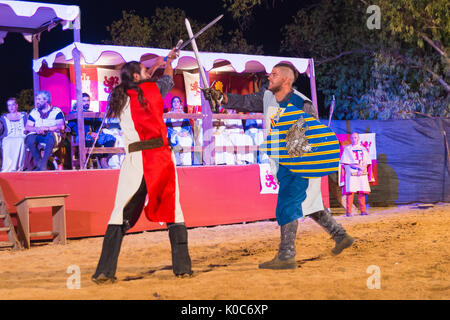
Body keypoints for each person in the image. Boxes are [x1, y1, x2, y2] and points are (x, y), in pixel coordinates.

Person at [204, 63, 354, 269]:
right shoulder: (266, 97)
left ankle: (286, 254)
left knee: (287, 204)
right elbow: (244, 101)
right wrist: (220, 97)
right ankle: (341, 236)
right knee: (310, 204)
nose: (269, 76)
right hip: (282, 162)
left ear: (286, 80)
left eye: (274, 74)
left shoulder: (302, 104)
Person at [92, 48, 193, 284]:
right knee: (174, 209)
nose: (149, 73)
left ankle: (105, 271)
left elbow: (143, 84)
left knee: (119, 212)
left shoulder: (118, 96)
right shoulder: (153, 89)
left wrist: (155, 65)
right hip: (158, 157)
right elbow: (167, 79)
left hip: (135, 160)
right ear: (137, 77)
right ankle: (183, 268)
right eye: (145, 71)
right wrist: (168, 61)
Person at [68, 93, 116, 168]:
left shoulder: (92, 113)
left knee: (110, 137)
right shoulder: (74, 113)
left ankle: (103, 159)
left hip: (94, 135)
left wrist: (97, 132)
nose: (87, 102)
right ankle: (92, 160)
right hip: (82, 136)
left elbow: (99, 125)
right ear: (79, 102)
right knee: (87, 138)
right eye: (84, 101)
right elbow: (70, 128)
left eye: (88, 101)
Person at [25, 91, 65, 171]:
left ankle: (42, 165)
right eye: (37, 99)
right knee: (29, 139)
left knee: (50, 137)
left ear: (46, 100)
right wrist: (37, 129)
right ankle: (41, 164)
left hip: (52, 135)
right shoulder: (34, 112)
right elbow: (27, 127)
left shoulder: (56, 111)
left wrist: (47, 128)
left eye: (39, 99)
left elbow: (61, 126)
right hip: (38, 134)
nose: (37, 101)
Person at [340, 132, 372, 216]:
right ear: (350, 139)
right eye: (353, 138)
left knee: (362, 191)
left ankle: (363, 211)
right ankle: (349, 212)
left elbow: (367, 161)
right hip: (352, 173)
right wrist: (358, 167)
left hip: (362, 172)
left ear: (358, 138)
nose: (354, 139)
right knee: (351, 192)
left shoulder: (363, 149)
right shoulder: (347, 149)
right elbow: (346, 162)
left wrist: (362, 169)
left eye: (356, 137)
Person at [165, 96, 194, 166]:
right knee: (175, 140)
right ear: (172, 103)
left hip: (183, 132)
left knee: (187, 140)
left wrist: (184, 132)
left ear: (180, 104)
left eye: (177, 101)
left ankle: (186, 163)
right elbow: (167, 127)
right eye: (174, 101)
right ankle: (177, 163)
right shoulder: (168, 115)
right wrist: (176, 133)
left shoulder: (184, 114)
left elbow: (187, 126)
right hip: (172, 133)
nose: (176, 103)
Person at [0, 98, 27, 172]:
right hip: (9, 136)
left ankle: (17, 167)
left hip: (21, 135)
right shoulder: (4, 117)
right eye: (9, 105)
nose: (11, 107)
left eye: (13, 104)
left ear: (17, 105)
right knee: (7, 142)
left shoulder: (23, 115)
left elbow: (28, 125)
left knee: (20, 140)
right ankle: (7, 168)